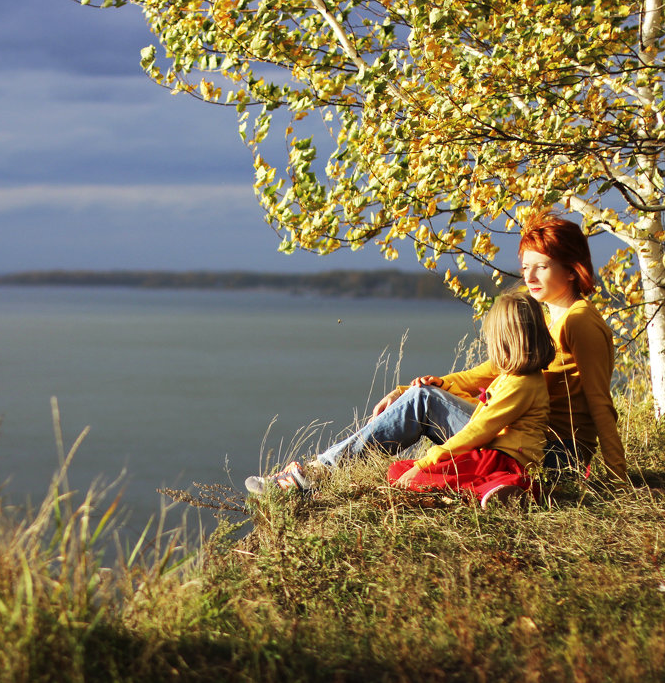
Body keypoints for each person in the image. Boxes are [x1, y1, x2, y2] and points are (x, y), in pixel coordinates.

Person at [245, 213, 628, 495]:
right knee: (422, 396)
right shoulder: (549, 314)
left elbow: (599, 402)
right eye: (526, 267)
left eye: (541, 267)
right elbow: (497, 369)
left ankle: (315, 475)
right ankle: (318, 473)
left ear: (572, 268)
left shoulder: (580, 323)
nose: (528, 278)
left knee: (423, 403)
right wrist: (439, 383)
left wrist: (618, 478)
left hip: (550, 454)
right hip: (528, 439)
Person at [384, 292, 554, 506]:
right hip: (493, 454)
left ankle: (506, 490)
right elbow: (481, 409)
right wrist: (446, 387)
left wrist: (429, 460)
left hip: (506, 459)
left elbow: (480, 430)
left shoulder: (522, 384)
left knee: (417, 474)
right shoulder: (512, 377)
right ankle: (480, 493)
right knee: (399, 470)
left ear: (504, 342)